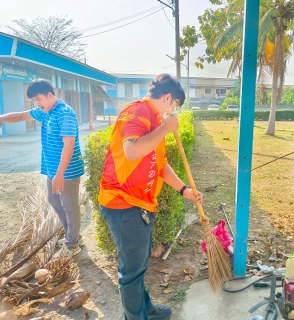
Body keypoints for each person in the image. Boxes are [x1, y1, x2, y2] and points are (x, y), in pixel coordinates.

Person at [98, 74, 202, 320]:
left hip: (140, 205)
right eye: (175, 105)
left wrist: (184, 189)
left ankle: (147, 310)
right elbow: (132, 151)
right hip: (123, 204)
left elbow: (160, 164)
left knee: (138, 266)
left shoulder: (154, 120)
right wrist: (167, 128)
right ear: (168, 98)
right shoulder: (136, 113)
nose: (173, 111)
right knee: (131, 272)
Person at [0, 79, 85, 255]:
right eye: (34, 101)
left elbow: (69, 144)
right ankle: (73, 235)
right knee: (54, 200)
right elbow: (22, 116)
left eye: (39, 99)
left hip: (66, 171)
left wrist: (60, 174)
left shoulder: (64, 113)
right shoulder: (45, 112)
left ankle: (73, 244)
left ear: (50, 95)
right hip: (52, 169)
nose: (37, 104)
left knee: (69, 205)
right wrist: (1, 118)